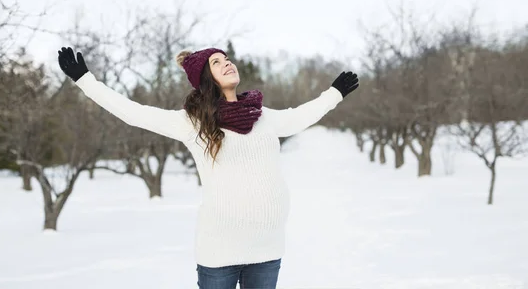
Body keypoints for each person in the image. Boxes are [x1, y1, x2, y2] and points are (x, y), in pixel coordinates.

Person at [57, 46, 359, 289]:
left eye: (227, 59)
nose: (228, 63)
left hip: (267, 248)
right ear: (205, 78)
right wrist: (85, 79)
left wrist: (334, 93)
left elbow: (299, 117)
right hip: (220, 252)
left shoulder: (262, 115)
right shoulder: (192, 124)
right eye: (217, 62)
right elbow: (133, 113)